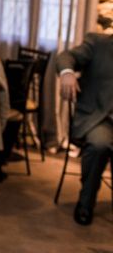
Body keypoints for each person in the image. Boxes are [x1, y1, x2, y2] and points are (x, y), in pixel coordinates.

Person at [57, 33, 113, 226]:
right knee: (99, 145)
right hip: (99, 119)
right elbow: (66, 57)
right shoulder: (98, 44)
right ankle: (85, 203)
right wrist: (67, 72)